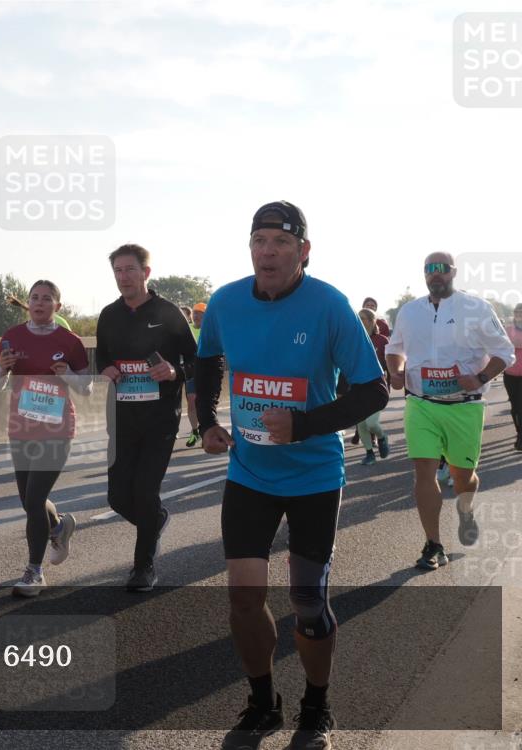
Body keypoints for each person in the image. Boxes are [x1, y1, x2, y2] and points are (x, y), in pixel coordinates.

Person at [195, 201, 388, 750]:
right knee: (242, 596)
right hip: (249, 473)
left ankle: (316, 704)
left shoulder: (329, 305)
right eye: (259, 241)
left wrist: (303, 425)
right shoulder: (227, 301)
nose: (268, 251)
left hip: (314, 477)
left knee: (307, 600)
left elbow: (374, 389)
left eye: (281, 242)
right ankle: (262, 703)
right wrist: (206, 421)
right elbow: (206, 360)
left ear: (303, 252)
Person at [385, 253, 515, 570]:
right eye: (430, 269)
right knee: (424, 472)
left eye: (442, 269)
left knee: (462, 478)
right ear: (424, 275)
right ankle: (434, 544)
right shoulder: (410, 311)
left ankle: (466, 510)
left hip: (465, 407)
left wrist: (481, 377)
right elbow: (394, 349)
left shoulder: (477, 309)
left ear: (453, 273)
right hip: (421, 403)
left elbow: (504, 352)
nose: (435, 274)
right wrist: (396, 371)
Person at [96, 244, 197, 592]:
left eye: (129, 270)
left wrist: (174, 371)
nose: (123, 277)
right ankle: (155, 521)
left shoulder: (169, 313)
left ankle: (144, 567)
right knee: (117, 498)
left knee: (144, 490)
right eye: (118, 271)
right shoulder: (109, 315)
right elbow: (102, 358)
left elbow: (198, 361)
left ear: (145, 273)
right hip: (122, 417)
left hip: (160, 418)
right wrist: (107, 368)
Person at [0, 281, 90, 596]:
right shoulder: (11, 337)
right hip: (21, 427)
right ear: (28, 304)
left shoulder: (70, 341)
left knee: (34, 499)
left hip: (57, 428)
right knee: (27, 501)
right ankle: (59, 526)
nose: (39, 302)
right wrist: (3, 371)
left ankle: (34, 572)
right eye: (35, 297)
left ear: (57, 307)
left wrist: (68, 376)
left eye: (47, 299)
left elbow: (86, 388)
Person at [355, 308, 391, 465]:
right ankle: (369, 453)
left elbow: (389, 365)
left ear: (371, 321)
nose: (360, 320)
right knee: (361, 424)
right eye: (358, 318)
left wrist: (390, 381)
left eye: (363, 318)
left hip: (377, 389)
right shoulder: (354, 339)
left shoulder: (382, 340)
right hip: (357, 388)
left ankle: (382, 437)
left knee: (371, 423)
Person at [182, 302, 207, 447]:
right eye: (195, 313)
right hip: (191, 371)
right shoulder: (188, 330)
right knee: (191, 401)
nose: (197, 316)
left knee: (205, 402)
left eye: (200, 314)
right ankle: (195, 431)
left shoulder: (210, 331)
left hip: (207, 372)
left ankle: (206, 430)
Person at [505, 303, 522, 451]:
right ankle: (519, 432)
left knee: (520, 407)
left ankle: (521, 438)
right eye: (517, 312)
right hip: (510, 374)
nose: (519, 314)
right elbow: (503, 346)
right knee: (514, 407)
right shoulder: (508, 329)